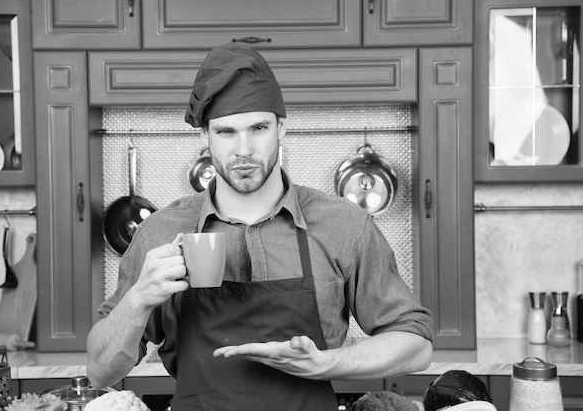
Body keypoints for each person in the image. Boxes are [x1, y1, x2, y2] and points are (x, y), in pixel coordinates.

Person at [86, 42, 434, 411]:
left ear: (281, 127)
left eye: (259, 127)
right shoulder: (160, 232)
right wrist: (138, 299)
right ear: (204, 136)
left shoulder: (344, 225)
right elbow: (100, 372)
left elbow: (417, 345)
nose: (244, 149)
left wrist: (327, 363)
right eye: (226, 132)